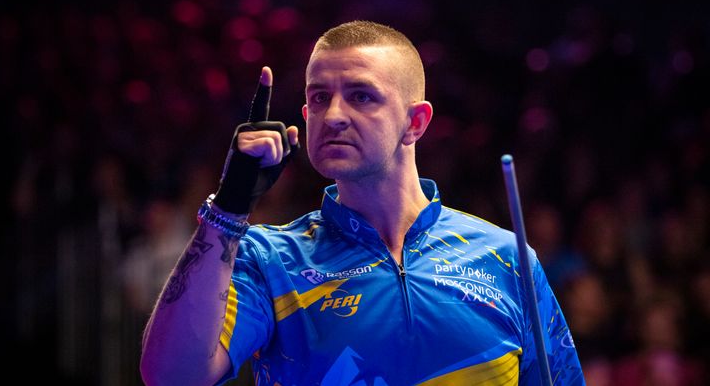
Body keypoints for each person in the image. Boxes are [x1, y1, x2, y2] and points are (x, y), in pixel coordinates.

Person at [140, 20, 584, 385]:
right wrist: (229, 206)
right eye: (318, 97)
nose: (332, 115)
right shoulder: (268, 259)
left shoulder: (506, 258)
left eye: (361, 96)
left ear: (416, 122)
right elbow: (171, 376)